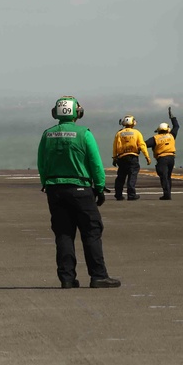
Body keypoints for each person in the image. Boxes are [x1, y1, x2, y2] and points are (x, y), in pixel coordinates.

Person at [37, 96, 121, 289]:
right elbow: (95, 164)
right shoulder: (84, 134)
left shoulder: (47, 134)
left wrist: (46, 184)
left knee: (64, 234)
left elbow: (42, 163)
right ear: (78, 113)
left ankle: (67, 278)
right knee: (91, 232)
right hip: (81, 189)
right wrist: (99, 188)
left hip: (54, 189)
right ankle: (98, 275)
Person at [112, 114, 150, 200]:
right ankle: (131, 195)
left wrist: (114, 158)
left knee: (120, 177)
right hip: (133, 157)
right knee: (132, 176)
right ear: (133, 123)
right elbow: (142, 145)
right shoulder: (137, 133)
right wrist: (147, 156)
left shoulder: (119, 133)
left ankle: (118, 195)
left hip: (121, 158)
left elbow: (115, 146)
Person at [147, 107, 180, 200]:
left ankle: (167, 194)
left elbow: (144, 144)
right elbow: (177, 126)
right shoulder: (172, 135)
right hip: (171, 158)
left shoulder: (155, 138)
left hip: (162, 159)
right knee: (168, 176)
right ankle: (168, 193)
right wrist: (172, 118)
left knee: (164, 177)